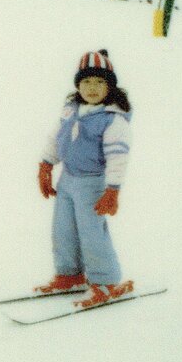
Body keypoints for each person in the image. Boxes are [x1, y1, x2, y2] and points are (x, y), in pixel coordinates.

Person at [35, 49, 134, 308]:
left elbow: (117, 157)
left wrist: (112, 189)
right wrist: (46, 164)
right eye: (86, 81)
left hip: (93, 184)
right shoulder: (72, 110)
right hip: (67, 179)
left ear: (110, 87)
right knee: (63, 229)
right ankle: (70, 274)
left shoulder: (113, 119)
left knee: (92, 233)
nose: (92, 88)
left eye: (99, 82)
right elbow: (57, 138)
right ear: (78, 84)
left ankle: (106, 281)